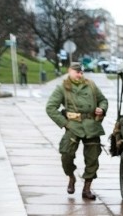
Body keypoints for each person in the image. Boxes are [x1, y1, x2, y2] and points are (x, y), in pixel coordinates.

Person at [45, 61, 108, 200]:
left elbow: (103, 100)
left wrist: (102, 109)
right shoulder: (63, 88)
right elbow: (50, 108)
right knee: (66, 154)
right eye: (76, 72)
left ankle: (87, 188)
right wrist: (65, 123)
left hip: (92, 125)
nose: (79, 75)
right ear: (69, 71)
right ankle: (71, 177)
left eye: (81, 72)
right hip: (73, 126)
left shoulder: (91, 85)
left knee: (92, 159)